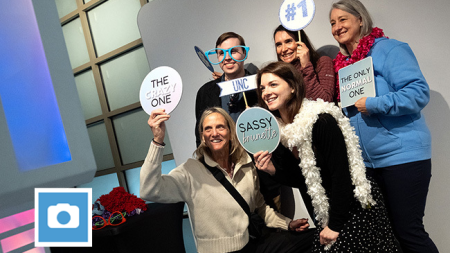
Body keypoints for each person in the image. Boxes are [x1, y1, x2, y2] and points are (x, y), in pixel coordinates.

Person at [254, 61, 399, 252]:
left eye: (273, 84)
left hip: (353, 204)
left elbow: (341, 175)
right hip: (326, 209)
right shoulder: (280, 133)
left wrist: (335, 225)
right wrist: (273, 171)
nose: (266, 92)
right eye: (262, 88)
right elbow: (303, 179)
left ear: (292, 87)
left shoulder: (321, 120)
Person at [329, 0, 438, 252]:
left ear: (360, 19)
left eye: (343, 19)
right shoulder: (343, 65)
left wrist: (376, 104)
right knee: (384, 235)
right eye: (332, 23)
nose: (337, 26)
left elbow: (418, 93)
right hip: (367, 165)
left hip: (403, 157)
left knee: (408, 232)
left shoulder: (389, 49)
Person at [140, 107, 314, 253]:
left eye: (220, 127)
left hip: (250, 245)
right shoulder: (190, 171)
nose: (214, 133)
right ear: (203, 137)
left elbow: (260, 208)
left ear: (230, 133)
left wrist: (288, 224)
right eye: (208, 129)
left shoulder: (246, 165)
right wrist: (157, 141)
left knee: (314, 238)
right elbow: (149, 189)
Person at [195, 32, 281, 212]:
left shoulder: (261, 86)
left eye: (233, 51)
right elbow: (201, 137)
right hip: (228, 180)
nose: (227, 58)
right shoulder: (207, 92)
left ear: (244, 54)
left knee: (278, 228)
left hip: (264, 174)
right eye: (221, 53)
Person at [273, 25, 335, 103]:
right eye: (279, 44)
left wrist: (306, 67)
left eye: (288, 41)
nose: (284, 49)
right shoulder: (277, 75)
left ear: (301, 42)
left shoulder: (322, 63)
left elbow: (325, 102)